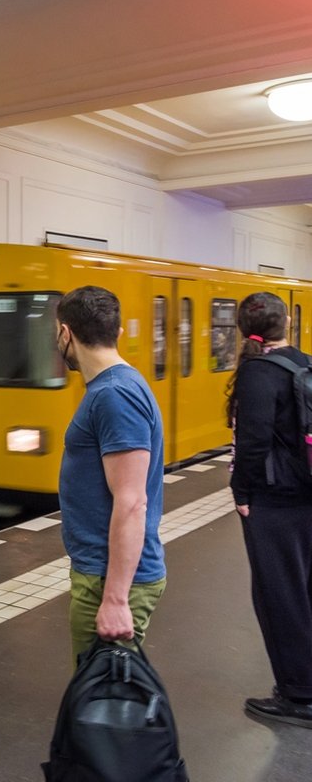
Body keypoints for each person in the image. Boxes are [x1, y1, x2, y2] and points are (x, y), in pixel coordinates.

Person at [56, 286, 166, 665]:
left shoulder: (115, 394)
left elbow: (132, 502)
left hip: (109, 579)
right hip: (101, 572)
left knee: (103, 703)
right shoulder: (113, 389)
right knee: (105, 698)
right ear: (117, 333)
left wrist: (116, 599)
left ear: (65, 333)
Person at [227, 291, 312, 727]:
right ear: (288, 325)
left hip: (275, 501)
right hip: (308, 495)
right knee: (305, 589)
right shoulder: (306, 362)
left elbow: (253, 442)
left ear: (245, 330)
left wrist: (241, 493)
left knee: (279, 594)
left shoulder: (257, 372)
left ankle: (299, 694)